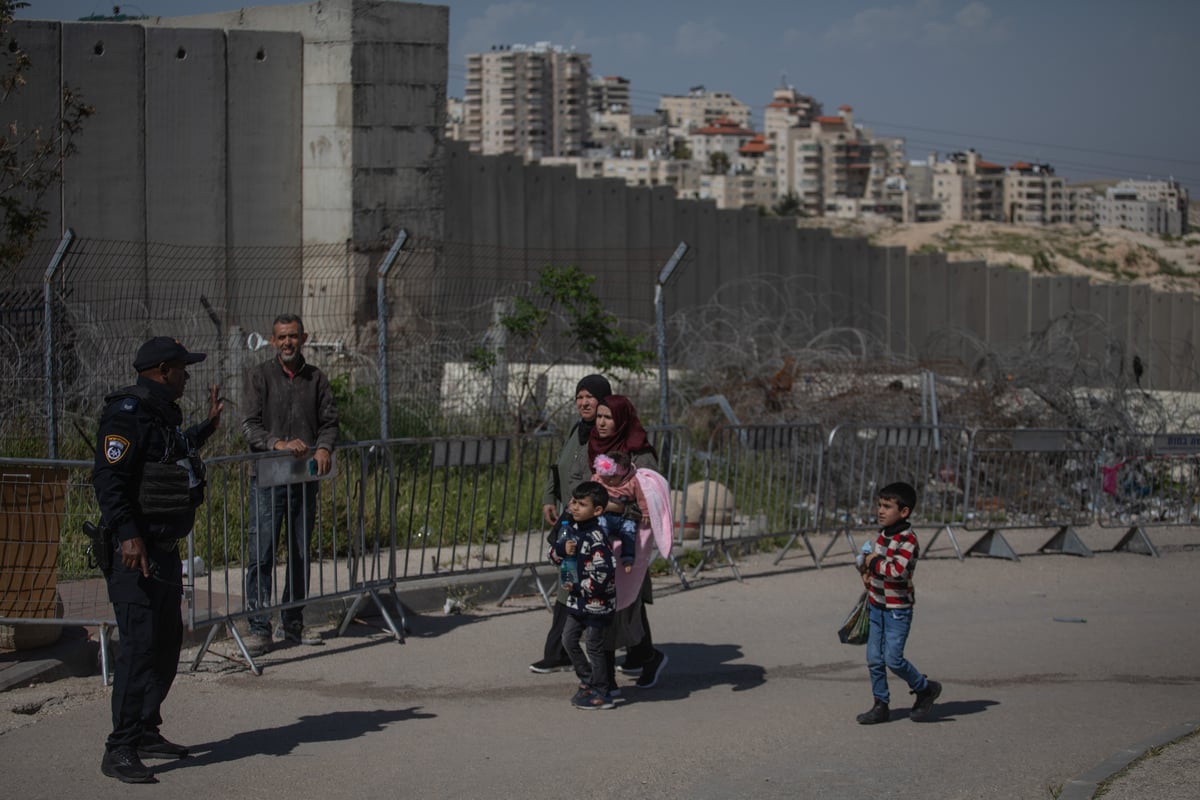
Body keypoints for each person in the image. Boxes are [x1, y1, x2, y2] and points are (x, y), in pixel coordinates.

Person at [92, 336, 223, 783]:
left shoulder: (160, 414)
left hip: (164, 553)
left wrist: (208, 426)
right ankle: (120, 748)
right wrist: (129, 537)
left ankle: (146, 728)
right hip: (135, 555)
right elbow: (109, 480)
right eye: (184, 368)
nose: (189, 374)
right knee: (139, 650)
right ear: (163, 369)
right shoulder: (125, 414)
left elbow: (173, 454)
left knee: (167, 644)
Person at [241, 314, 339, 655]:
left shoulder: (316, 379)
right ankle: (258, 626)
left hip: (304, 480)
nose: (287, 343)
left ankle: (293, 620)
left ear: (304, 338)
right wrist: (278, 444)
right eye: (282, 337)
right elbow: (250, 426)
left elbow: (330, 422)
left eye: (293, 336)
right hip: (267, 481)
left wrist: (324, 446)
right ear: (272, 341)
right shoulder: (259, 377)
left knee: (299, 552)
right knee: (262, 554)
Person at [529, 374, 612, 674]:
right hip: (570, 518)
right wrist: (549, 497)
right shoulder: (576, 430)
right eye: (579, 397)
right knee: (568, 581)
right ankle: (559, 651)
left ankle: (582, 653)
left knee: (586, 587)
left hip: (591, 524)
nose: (583, 402)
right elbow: (559, 466)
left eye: (589, 397)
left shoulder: (606, 436)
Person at [588, 395, 669, 689]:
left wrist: (616, 509)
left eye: (608, 418)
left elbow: (651, 507)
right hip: (598, 545)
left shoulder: (639, 455)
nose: (601, 423)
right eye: (599, 417)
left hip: (628, 548)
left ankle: (609, 679)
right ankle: (621, 670)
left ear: (621, 419)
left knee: (619, 611)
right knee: (607, 611)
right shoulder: (595, 448)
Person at [855, 481, 943, 724]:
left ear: (904, 512)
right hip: (876, 604)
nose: (880, 511)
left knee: (893, 659)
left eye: (887, 506)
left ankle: (924, 688)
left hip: (897, 610)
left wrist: (872, 561)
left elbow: (896, 571)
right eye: (879, 505)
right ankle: (880, 704)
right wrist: (866, 572)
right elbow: (877, 567)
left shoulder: (908, 540)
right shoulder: (883, 535)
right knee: (874, 658)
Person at [549, 481, 618, 710]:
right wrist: (561, 550)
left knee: (594, 646)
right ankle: (588, 679)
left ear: (597, 510)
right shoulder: (571, 530)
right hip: (577, 601)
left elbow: (603, 574)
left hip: (597, 603)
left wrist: (580, 586)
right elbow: (555, 555)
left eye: (582, 504)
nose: (575, 508)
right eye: (574, 503)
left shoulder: (597, 538)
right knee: (568, 640)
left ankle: (602, 691)